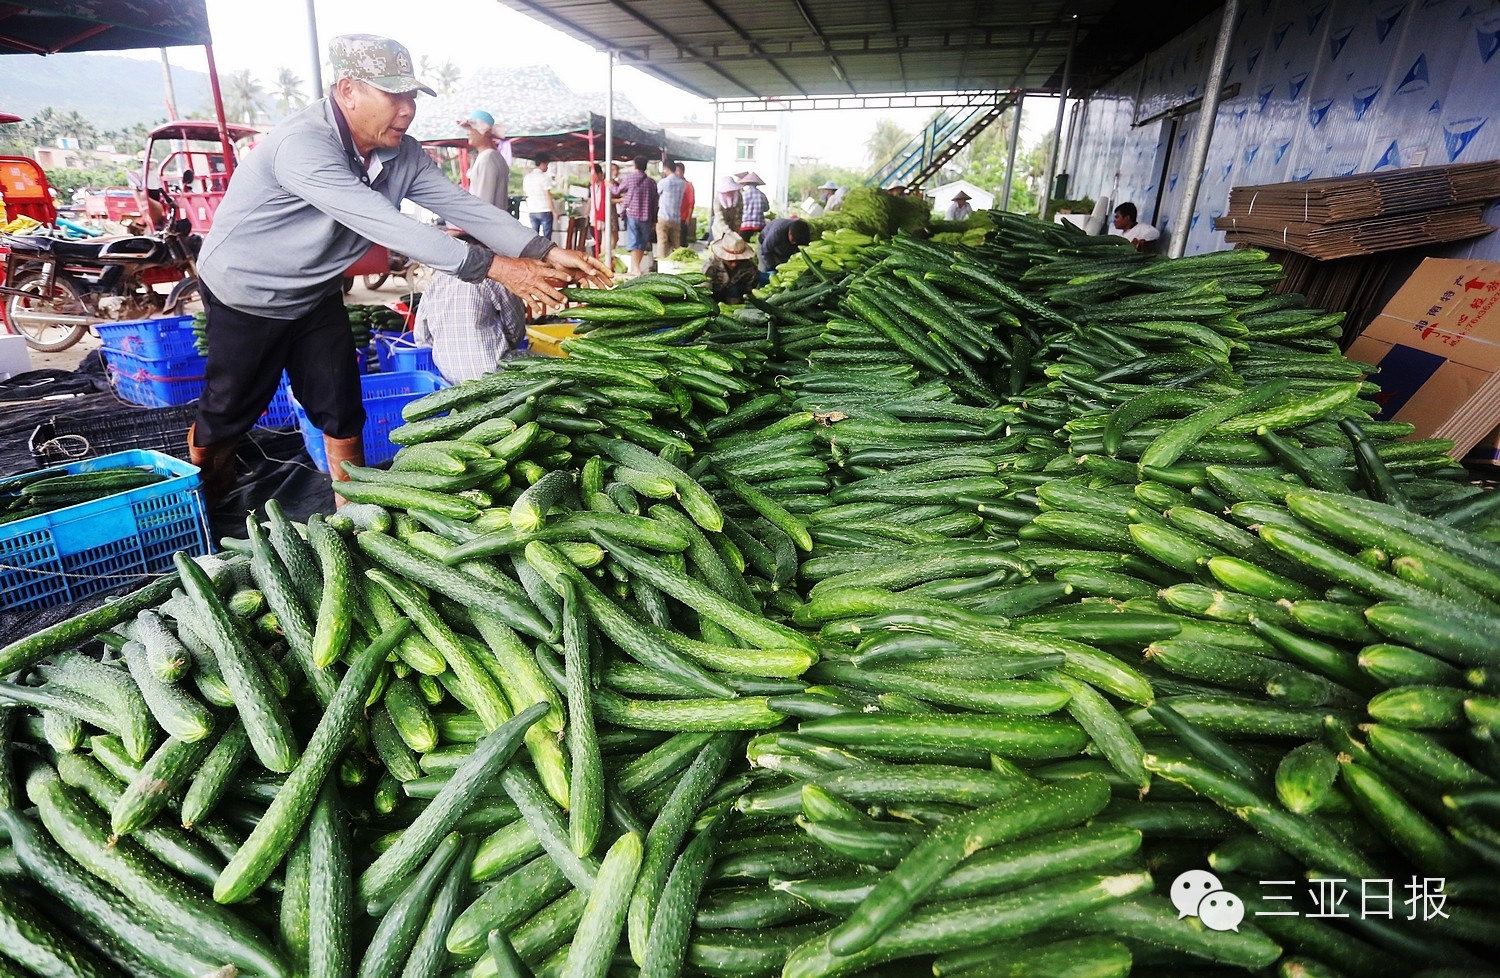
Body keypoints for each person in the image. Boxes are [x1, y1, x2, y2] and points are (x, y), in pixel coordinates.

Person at [191, 33, 609, 508]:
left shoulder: (401, 153)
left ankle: (352, 516)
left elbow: (459, 205)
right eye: (394, 95)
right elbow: (388, 225)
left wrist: (543, 249)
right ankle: (207, 500)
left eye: (411, 96)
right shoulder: (303, 146)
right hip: (247, 290)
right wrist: (496, 268)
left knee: (341, 406)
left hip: (316, 291)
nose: (408, 109)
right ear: (348, 90)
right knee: (230, 410)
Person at [413, 235, 528, 385]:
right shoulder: (494, 276)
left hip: (446, 375)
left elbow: (422, 338)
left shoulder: (435, 281)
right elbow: (516, 329)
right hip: (491, 374)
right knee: (547, 362)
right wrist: (507, 344)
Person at [458, 109, 509, 212]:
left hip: (486, 224)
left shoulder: (487, 158)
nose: (468, 133)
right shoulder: (494, 157)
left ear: (484, 132)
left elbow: (484, 203)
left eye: (471, 128)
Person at [621, 156, 658, 276]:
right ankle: (637, 268)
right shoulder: (651, 182)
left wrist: (609, 185)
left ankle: (636, 268)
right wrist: (654, 219)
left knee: (634, 241)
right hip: (647, 216)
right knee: (642, 242)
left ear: (635, 165)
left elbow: (617, 190)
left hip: (632, 214)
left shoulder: (630, 178)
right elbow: (655, 202)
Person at [703, 232, 757, 304]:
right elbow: (704, 288)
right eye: (730, 261)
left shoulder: (749, 266)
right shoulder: (711, 265)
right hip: (715, 294)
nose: (734, 264)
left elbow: (750, 287)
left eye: (737, 260)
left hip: (738, 295)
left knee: (734, 289)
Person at [757, 216, 811, 285]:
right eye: (793, 240)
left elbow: (804, 248)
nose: (794, 243)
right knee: (765, 271)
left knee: (784, 271)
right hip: (765, 248)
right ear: (790, 233)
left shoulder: (803, 231)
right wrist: (772, 267)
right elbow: (765, 251)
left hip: (783, 250)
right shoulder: (777, 231)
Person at [656, 160, 687, 259]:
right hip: (676, 217)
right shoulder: (682, 183)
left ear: (666, 168)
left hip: (663, 215)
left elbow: (657, 193)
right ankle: (676, 263)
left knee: (662, 241)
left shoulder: (664, 182)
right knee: (676, 243)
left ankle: (662, 263)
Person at [524, 154, 557, 240]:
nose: (547, 167)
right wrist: (554, 211)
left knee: (534, 237)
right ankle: (546, 253)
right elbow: (548, 195)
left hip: (532, 210)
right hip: (545, 210)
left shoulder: (527, 177)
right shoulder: (545, 177)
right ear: (542, 164)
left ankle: (535, 253)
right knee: (547, 238)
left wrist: (529, 208)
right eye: (547, 165)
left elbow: (526, 195)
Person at [737, 171, 769, 238]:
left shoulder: (743, 195)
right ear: (757, 184)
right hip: (759, 226)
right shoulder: (762, 195)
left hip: (745, 225)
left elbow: (739, 209)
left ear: (747, 183)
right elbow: (766, 209)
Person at [710, 175, 741, 239]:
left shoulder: (738, 197)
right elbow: (719, 218)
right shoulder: (718, 199)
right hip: (720, 228)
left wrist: (737, 228)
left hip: (733, 226)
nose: (730, 192)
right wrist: (729, 232)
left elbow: (740, 213)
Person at [676, 162, 696, 242]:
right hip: (672, 217)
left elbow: (691, 202)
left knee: (681, 240)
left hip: (683, 217)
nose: (675, 173)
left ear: (683, 172)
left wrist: (689, 217)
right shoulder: (672, 184)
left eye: (677, 171)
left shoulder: (688, 185)